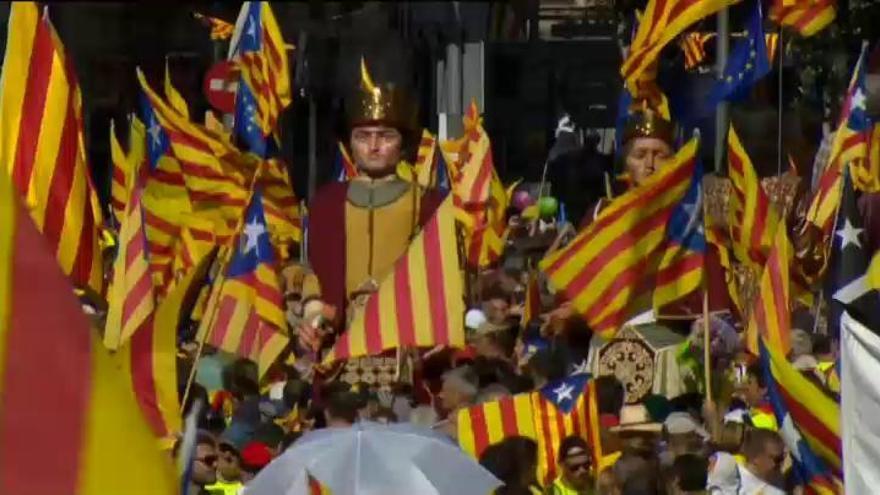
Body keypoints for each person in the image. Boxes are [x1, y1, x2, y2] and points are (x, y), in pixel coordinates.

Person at [434, 365, 479, 438]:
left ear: (457, 395)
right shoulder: (487, 423)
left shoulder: (444, 431)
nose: (441, 395)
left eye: (444, 391)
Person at [740, 364, 777, 431]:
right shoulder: (754, 412)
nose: (744, 387)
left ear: (763, 389)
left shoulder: (766, 418)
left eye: (749, 382)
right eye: (745, 382)